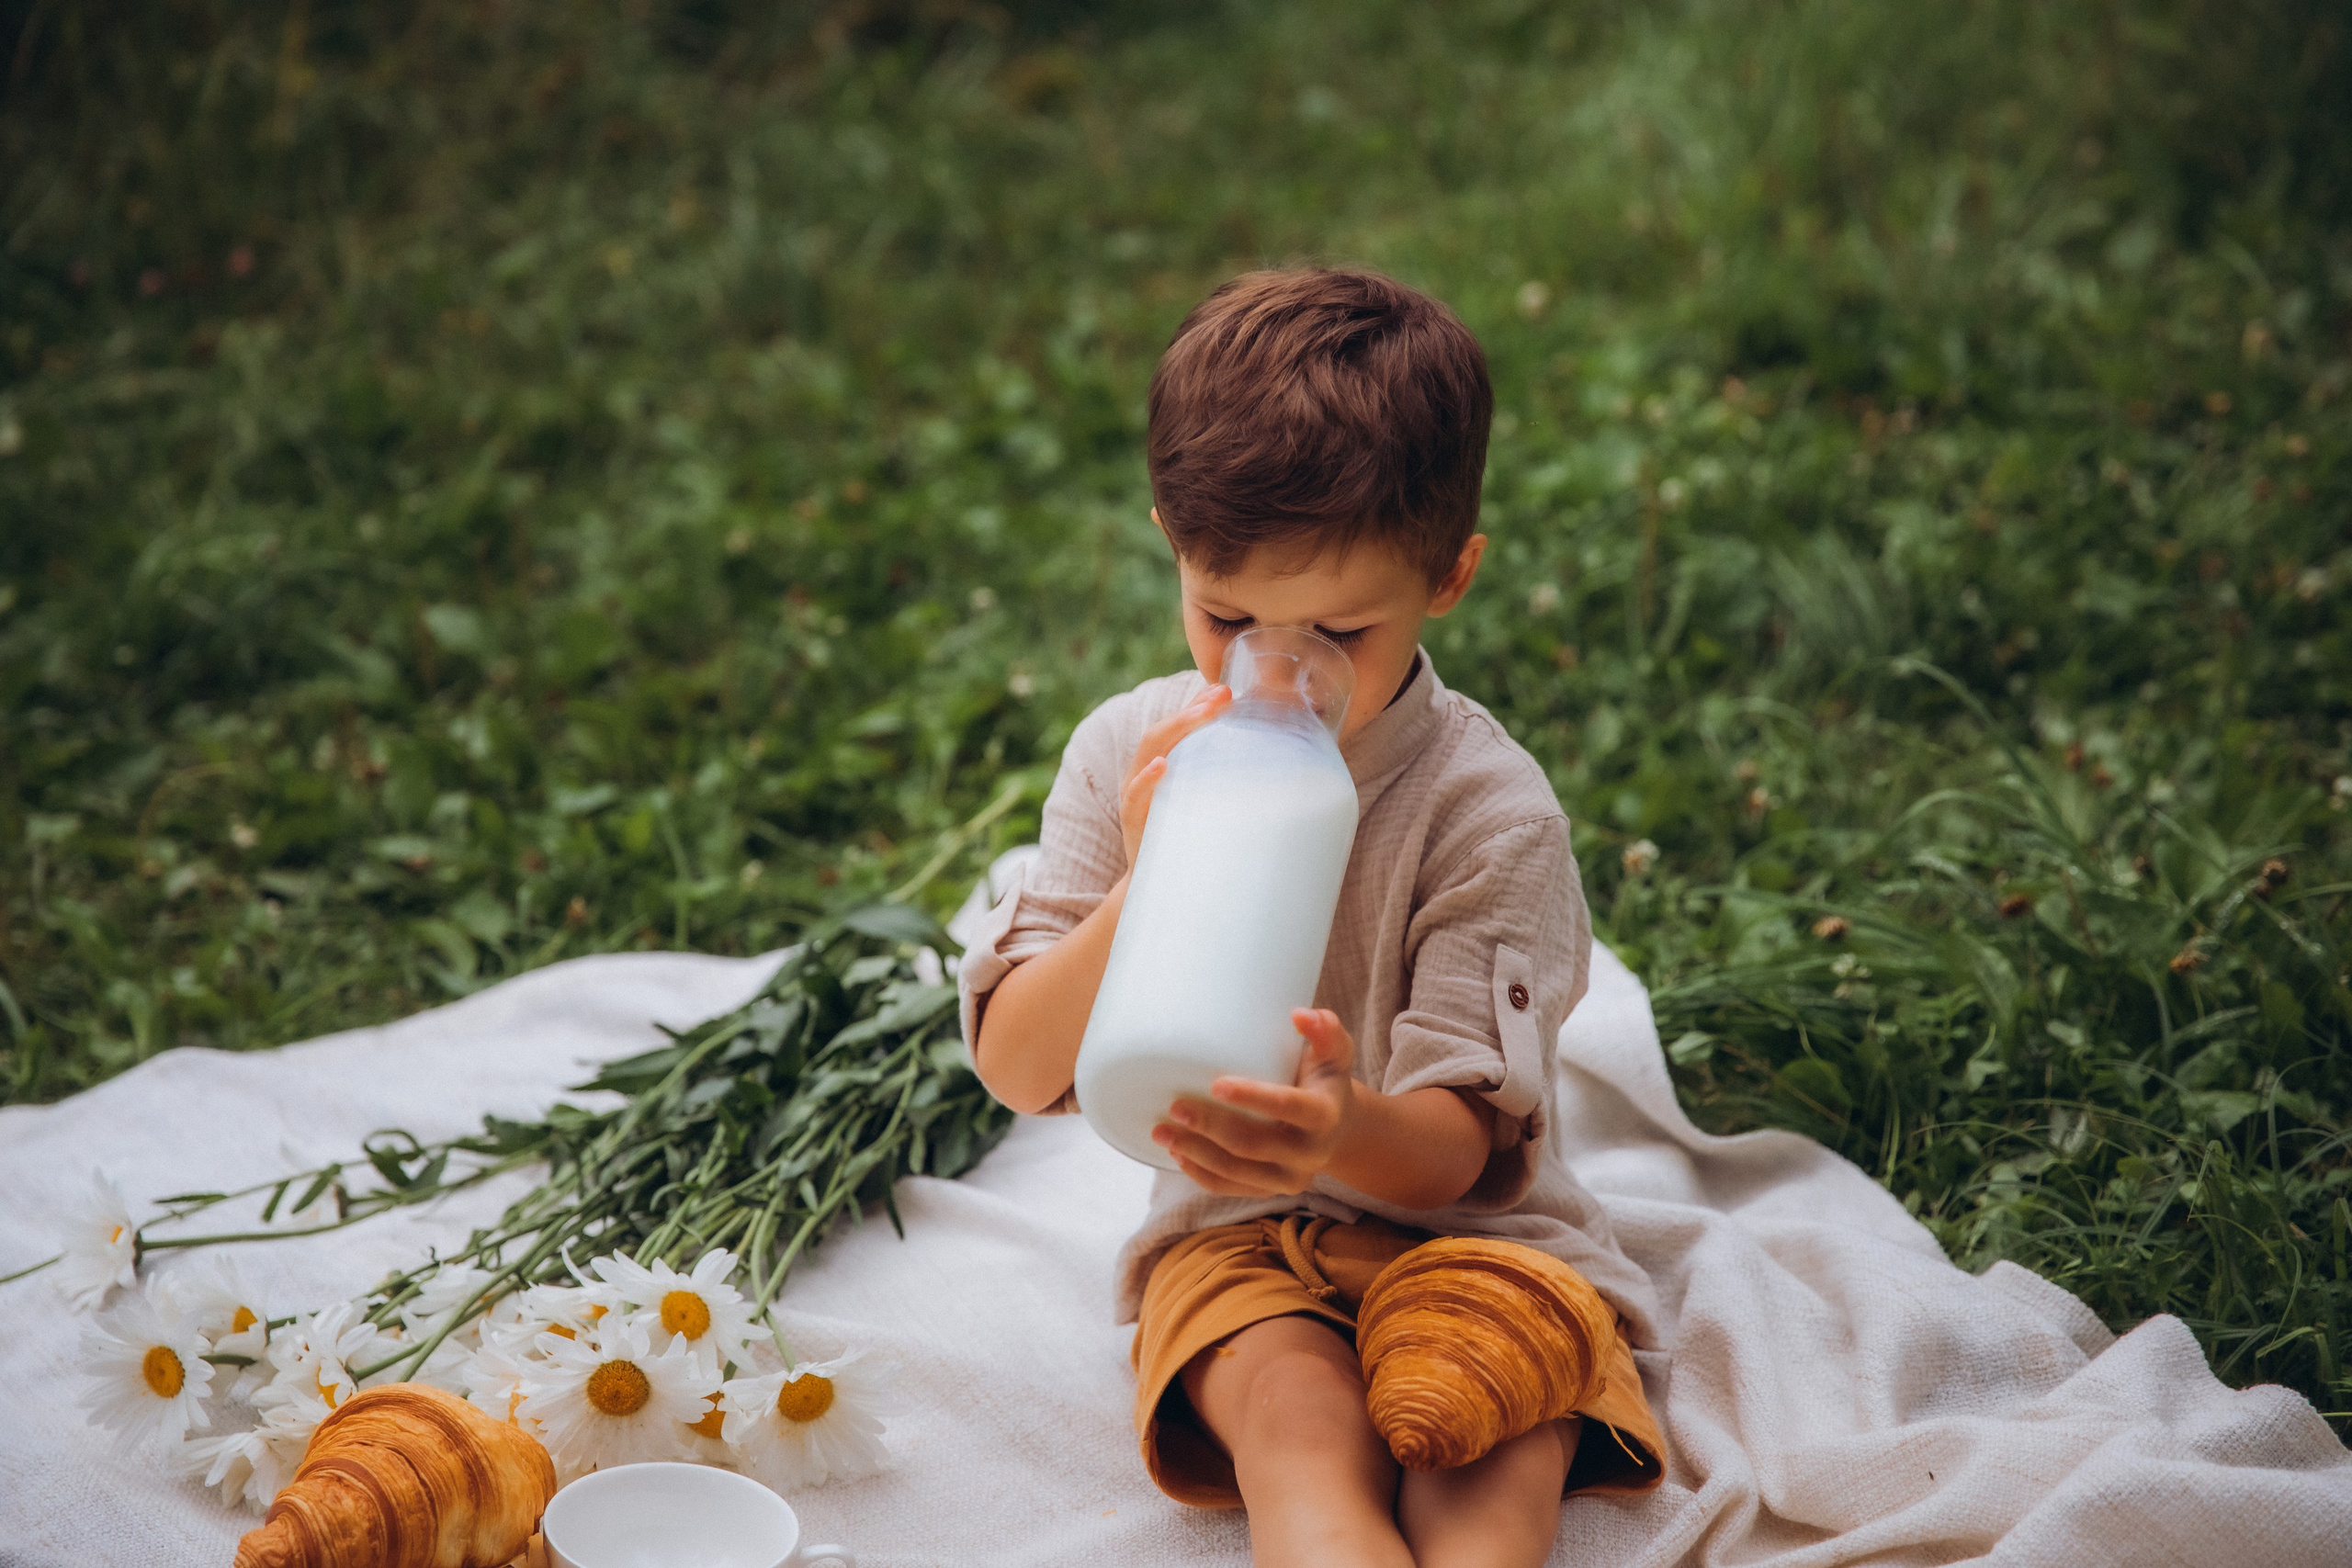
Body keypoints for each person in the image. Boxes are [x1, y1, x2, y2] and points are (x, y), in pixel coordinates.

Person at [957, 267, 1664, 1567]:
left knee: (1483, 1450)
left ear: (1449, 575)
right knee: (1301, 1434)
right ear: (1173, 535)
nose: (1274, 669)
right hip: (1236, 1240)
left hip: (1473, 1237)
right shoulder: (1129, 752)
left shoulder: (1487, 811)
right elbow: (1016, 1063)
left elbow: (1458, 1154)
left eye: (1341, 627)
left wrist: (1340, 1128)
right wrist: (1143, 880)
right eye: (1227, 619)